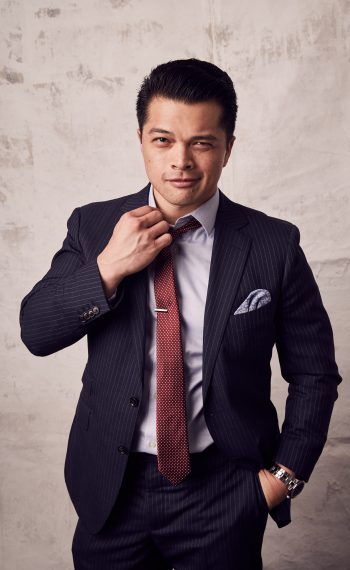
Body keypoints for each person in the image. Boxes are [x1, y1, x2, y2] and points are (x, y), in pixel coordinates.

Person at [19, 58, 342, 570]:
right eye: (163, 140)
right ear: (142, 141)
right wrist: (108, 268)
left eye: (202, 142)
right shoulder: (93, 225)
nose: (181, 162)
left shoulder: (273, 244)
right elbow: (35, 331)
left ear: (228, 147)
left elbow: (314, 374)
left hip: (223, 490)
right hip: (112, 488)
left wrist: (281, 480)